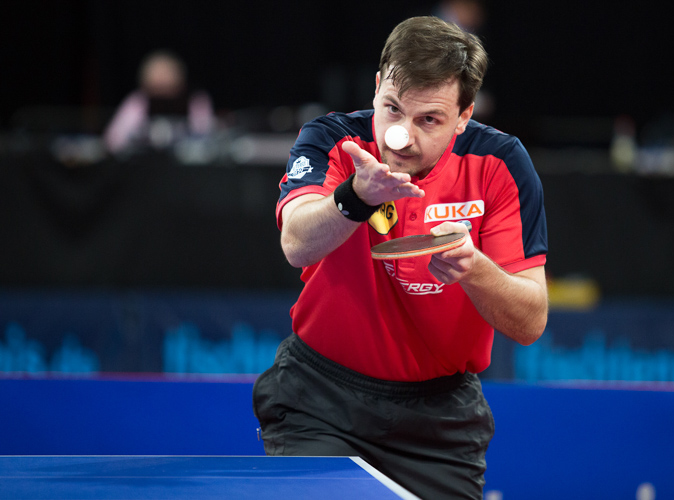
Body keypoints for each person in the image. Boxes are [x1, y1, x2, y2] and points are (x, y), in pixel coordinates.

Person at [253, 16, 548, 500]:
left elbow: (530, 320)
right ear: (375, 88)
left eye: (428, 119)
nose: (401, 137)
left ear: (464, 115)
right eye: (391, 108)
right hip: (321, 401)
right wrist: (354, 197)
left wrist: (476, 271)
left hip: (440, 420)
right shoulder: (332, 141)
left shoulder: (501, 164)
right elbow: (296, 244)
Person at [103, 50, 215, 154]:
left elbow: (206, 138)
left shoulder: (196, 99)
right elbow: (114, 139)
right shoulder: (138, 101)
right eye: (156, 74)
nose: (161, 79)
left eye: (166, 73)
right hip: (144, 167)